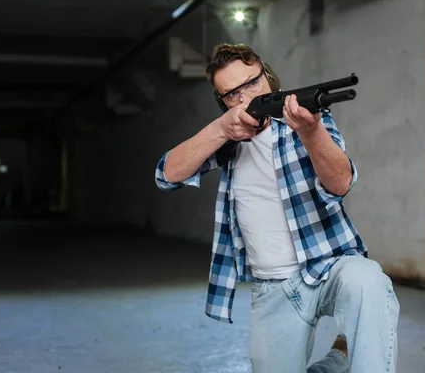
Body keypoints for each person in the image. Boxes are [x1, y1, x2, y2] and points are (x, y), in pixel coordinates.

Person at [155, 43, 400, 373]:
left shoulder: (308, 122)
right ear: (222, 101)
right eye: (231, 94)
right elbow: (166, 176)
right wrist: (220, 129)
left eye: (252, 83)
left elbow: (340, 184)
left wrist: (311, 131)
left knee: (368, 279)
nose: (244, 98)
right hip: (273, 288)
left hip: (329, 266)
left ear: (267, 76)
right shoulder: (230, 139)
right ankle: (338, 361)